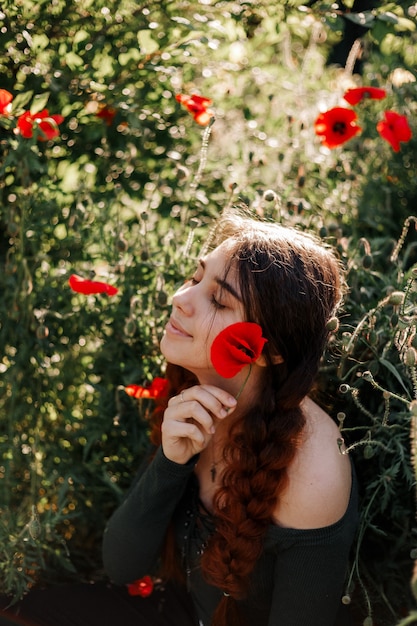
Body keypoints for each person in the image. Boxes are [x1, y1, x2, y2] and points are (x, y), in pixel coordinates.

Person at [4, 210, 358, 626]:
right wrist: (171, 463)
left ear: (270, 351)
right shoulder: (191, 388)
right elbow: (122, 565)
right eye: (195, 278)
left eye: (219, 300)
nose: (179, 298)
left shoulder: (314, 474)